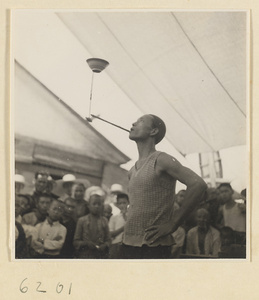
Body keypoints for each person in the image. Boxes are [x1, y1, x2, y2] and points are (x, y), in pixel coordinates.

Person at [122, 114, 207, 259]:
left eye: (140, 121)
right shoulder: (131, 170)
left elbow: (198, 184)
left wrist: (173, 223)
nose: (133, 123)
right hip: (128, 243)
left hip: (153, 246)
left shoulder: (161, 159)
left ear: (153, 131)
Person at [73, 193, 111, 259]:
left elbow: (108, 240)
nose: (96, 206)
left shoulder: (104, 221)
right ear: (88, 206)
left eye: (99, 204)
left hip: (100, 255)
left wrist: (104, 245)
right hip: (85, 255)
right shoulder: (82, 221)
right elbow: (76, 242)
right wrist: (86, 243)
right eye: (94, 204)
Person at [109, 193, 129, 259]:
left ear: (128, 203)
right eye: (120, 203)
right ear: (117, 205)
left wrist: (125, 216)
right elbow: (111, 234)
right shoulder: (114, 217)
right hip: (116, 244)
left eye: (124, 203)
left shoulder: (131, 216)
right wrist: (123, 228)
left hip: (128, 244)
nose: (122, 205)